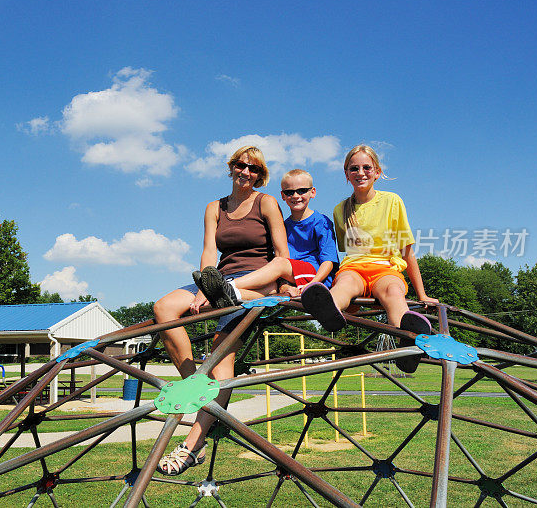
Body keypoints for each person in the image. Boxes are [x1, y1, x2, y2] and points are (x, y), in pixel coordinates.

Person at [153, 146, 289, 475]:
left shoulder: (266, 203)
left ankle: (193, 444)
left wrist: (280, 287)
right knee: (164, 307)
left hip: (255, 283)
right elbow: (208, 252)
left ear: (260, 175)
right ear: (231, 168)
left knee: (220, 356)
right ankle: (197, 391)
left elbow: (282, 258)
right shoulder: (215, 207)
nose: (246, 172)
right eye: (241, 165)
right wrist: (204, 286)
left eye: (254, 169)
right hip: (220, 280)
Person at [299, 144, 438, 371]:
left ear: (377, 171)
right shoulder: (340, 209)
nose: (360, 173)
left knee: (393, 291)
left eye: (366, 167)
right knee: (344, 284)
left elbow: (406, 251)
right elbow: (349, 251)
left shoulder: (392, 201)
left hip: (385, 267)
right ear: (346, 174)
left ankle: (407, 336)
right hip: (354, 267)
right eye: (354, 168)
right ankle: (330, 308)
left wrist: (422, 294)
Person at [195, 168, 338, 307]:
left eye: (301, 190)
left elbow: (328, 261)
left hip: (313, 276)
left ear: (312, 192)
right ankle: (233, 293)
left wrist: (314, 283)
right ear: (282, 195)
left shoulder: (321, 222)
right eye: (289, 192)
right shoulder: (284, 225)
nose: (295, 195)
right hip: (290, 276)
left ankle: (224, 285)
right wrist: (285, 285)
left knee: (279, 262)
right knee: (270, 282)